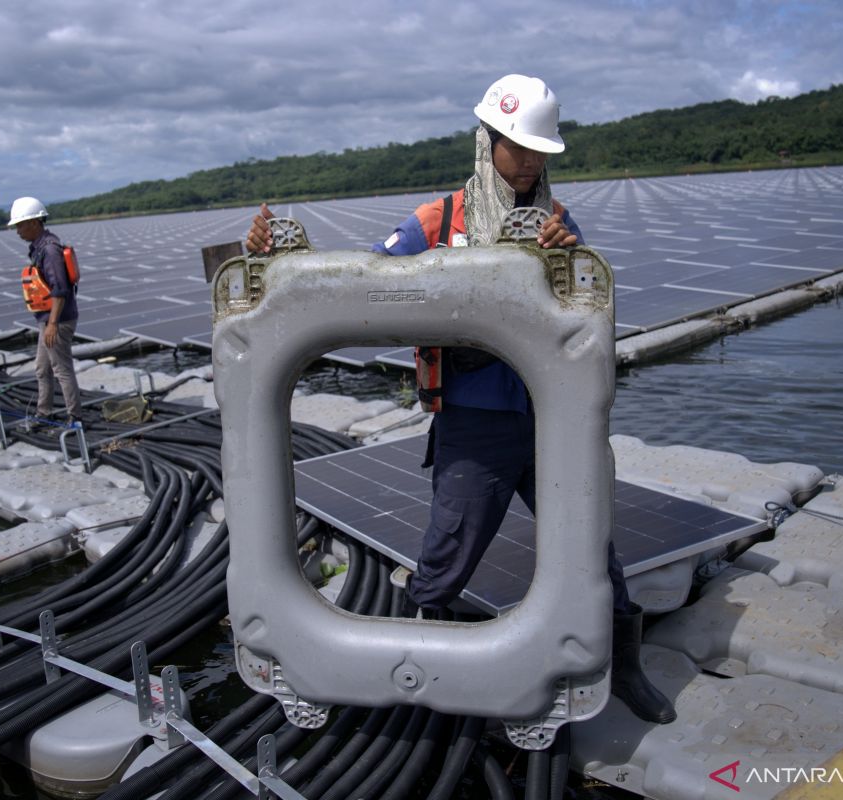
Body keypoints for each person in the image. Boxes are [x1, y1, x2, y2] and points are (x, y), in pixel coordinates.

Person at [245, 75, 676, 725]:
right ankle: (413, 671)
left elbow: (589, 309)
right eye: (516, 145)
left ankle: (622, 669)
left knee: (593, 550)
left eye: (538, 149)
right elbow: (355, 287)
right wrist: (269, 264)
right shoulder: (437, 221)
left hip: (551, 418)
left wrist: (569, 260)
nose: (528, 160)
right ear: (489, 142)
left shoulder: (557, 226)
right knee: (449, 551)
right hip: (476, 420)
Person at [8, 196, 82, 425]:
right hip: (48, 320)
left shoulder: (49, 250)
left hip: (57, 320)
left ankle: (75, 417)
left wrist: (52, 324)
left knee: (61, 368)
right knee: (42, 368)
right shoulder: (40, 247)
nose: (18, 231)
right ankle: (44, 412)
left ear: (34, 222)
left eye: (20, 225)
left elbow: (60, 290)